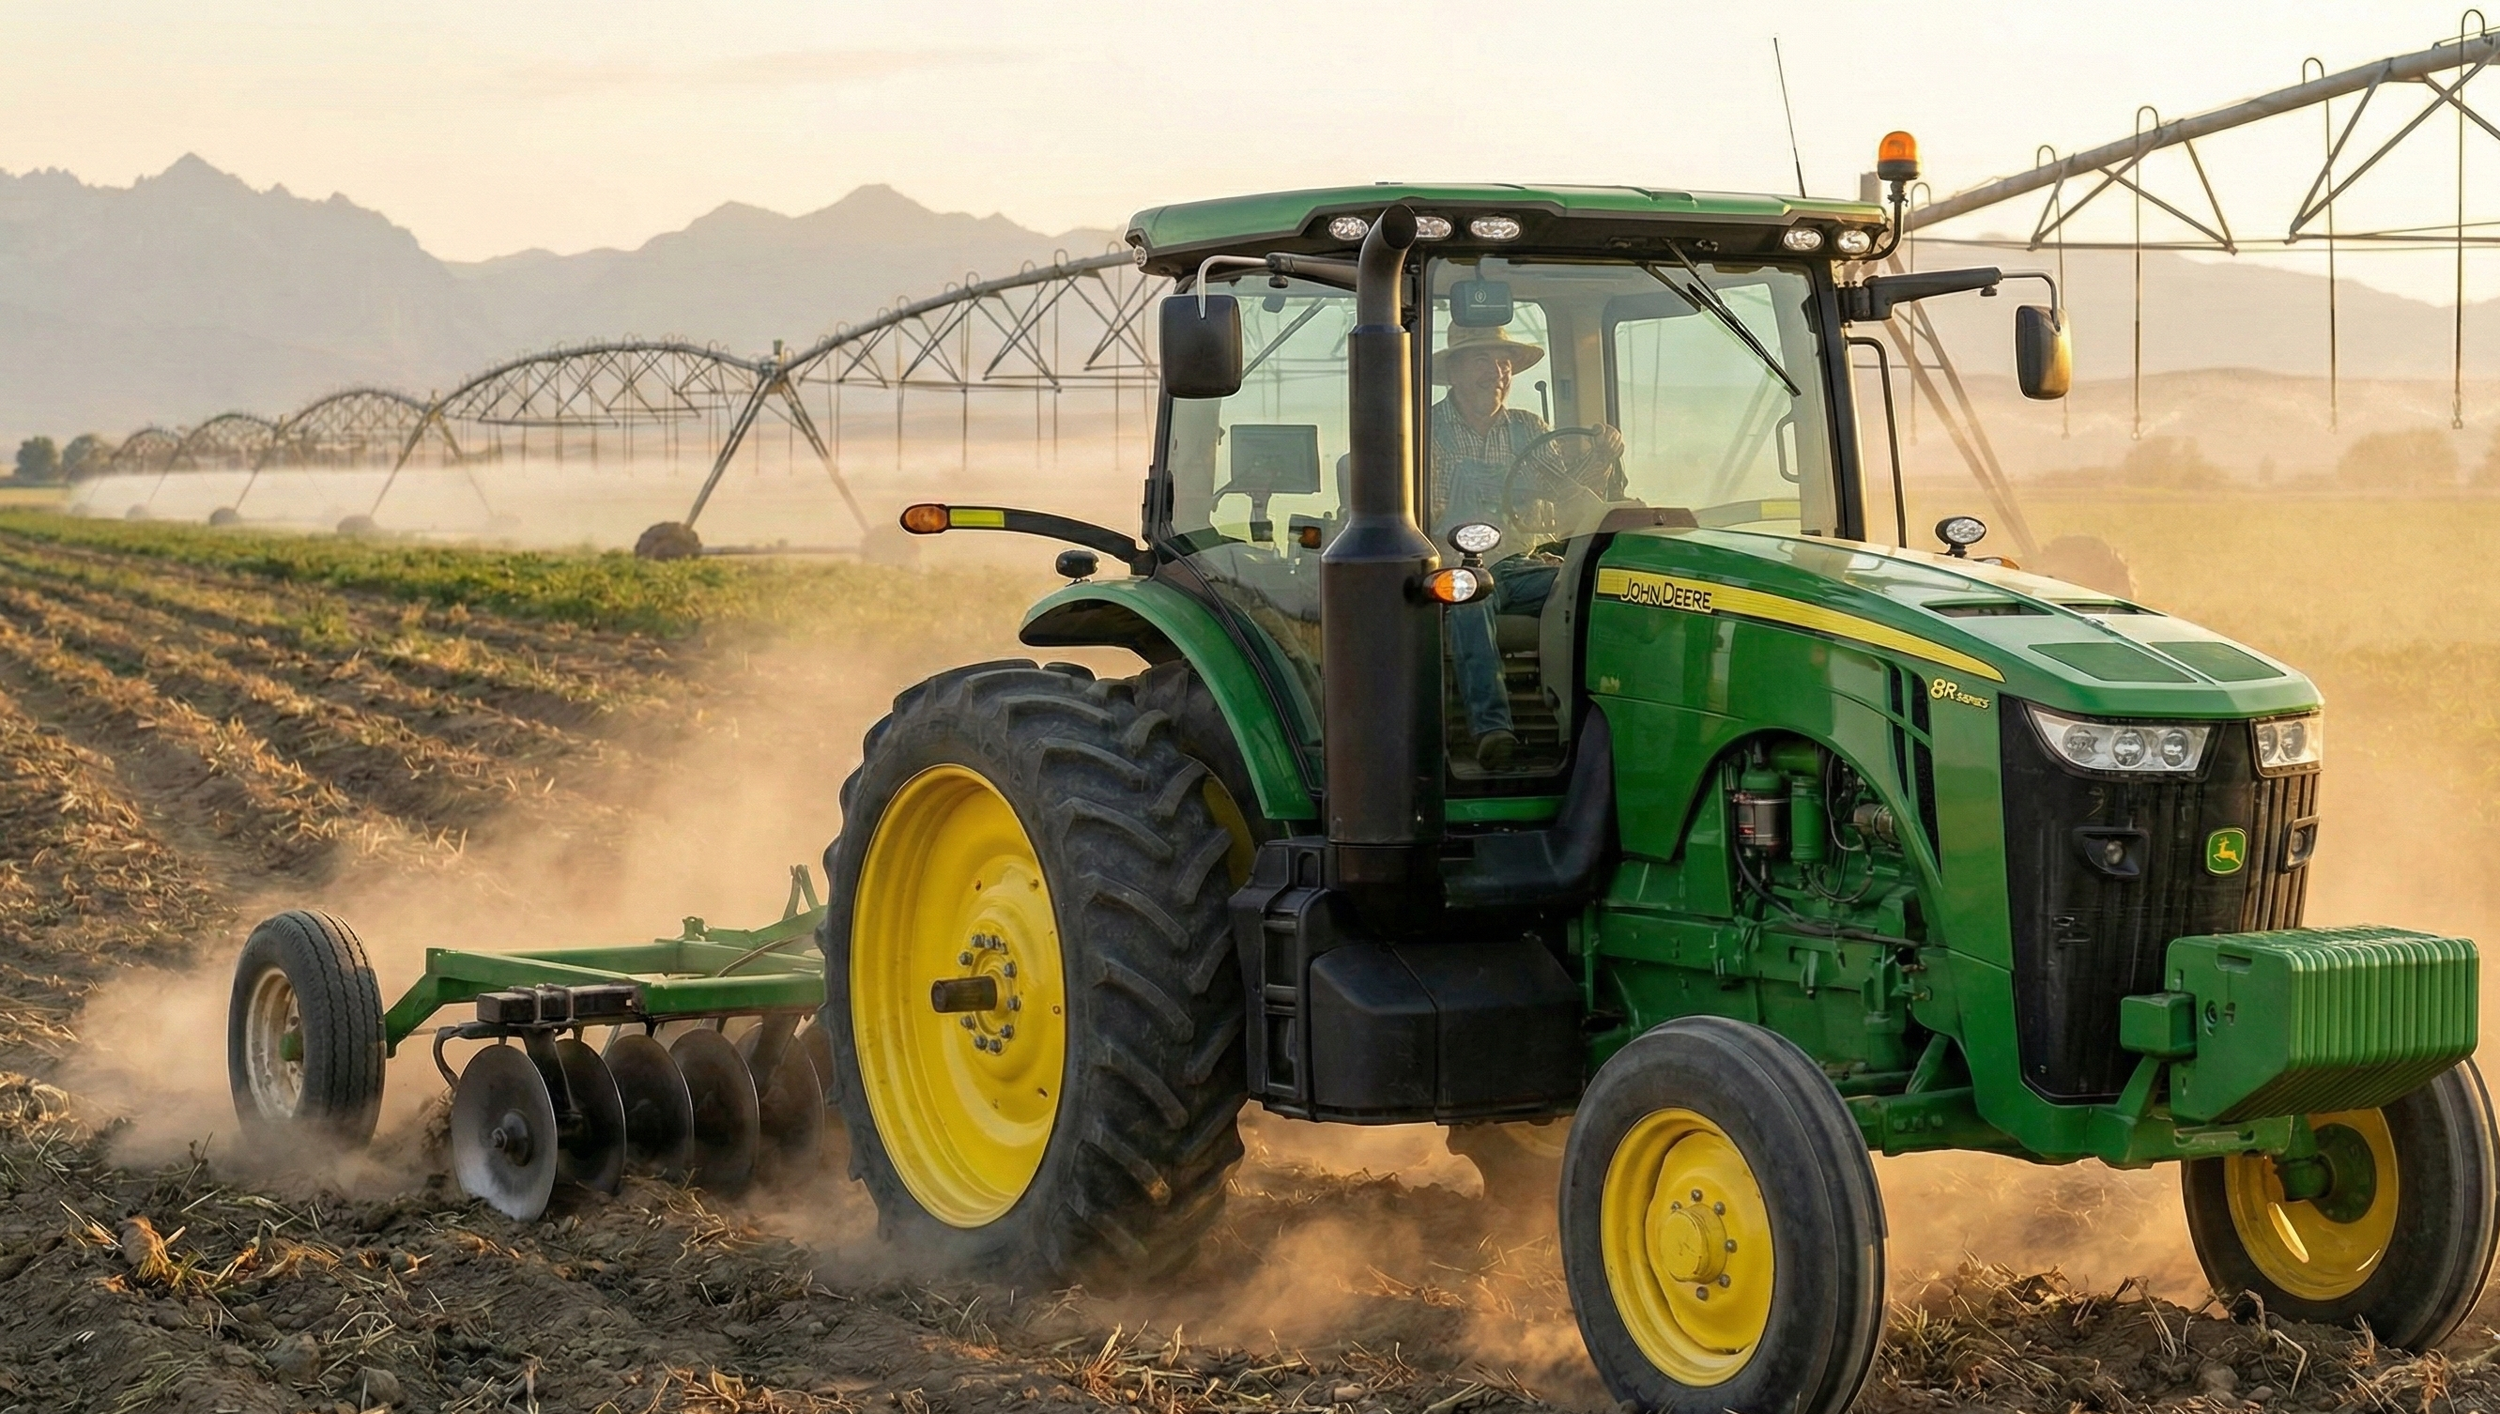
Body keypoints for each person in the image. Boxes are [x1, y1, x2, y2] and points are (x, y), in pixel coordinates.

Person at [1427, 322, 1621, 769]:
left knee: (1591, 586)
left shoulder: (1529, 429)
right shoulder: (1427, 429)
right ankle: (1493, 731)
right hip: (1452, 565)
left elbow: (1568, 499)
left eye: (1504, 362)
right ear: (1453, 370)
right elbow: (1424, 520)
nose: (1496, 371)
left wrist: (1602, 459)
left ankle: (1589, 730)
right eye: (1481, 359)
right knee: (1469, 595)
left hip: (1520, 564)